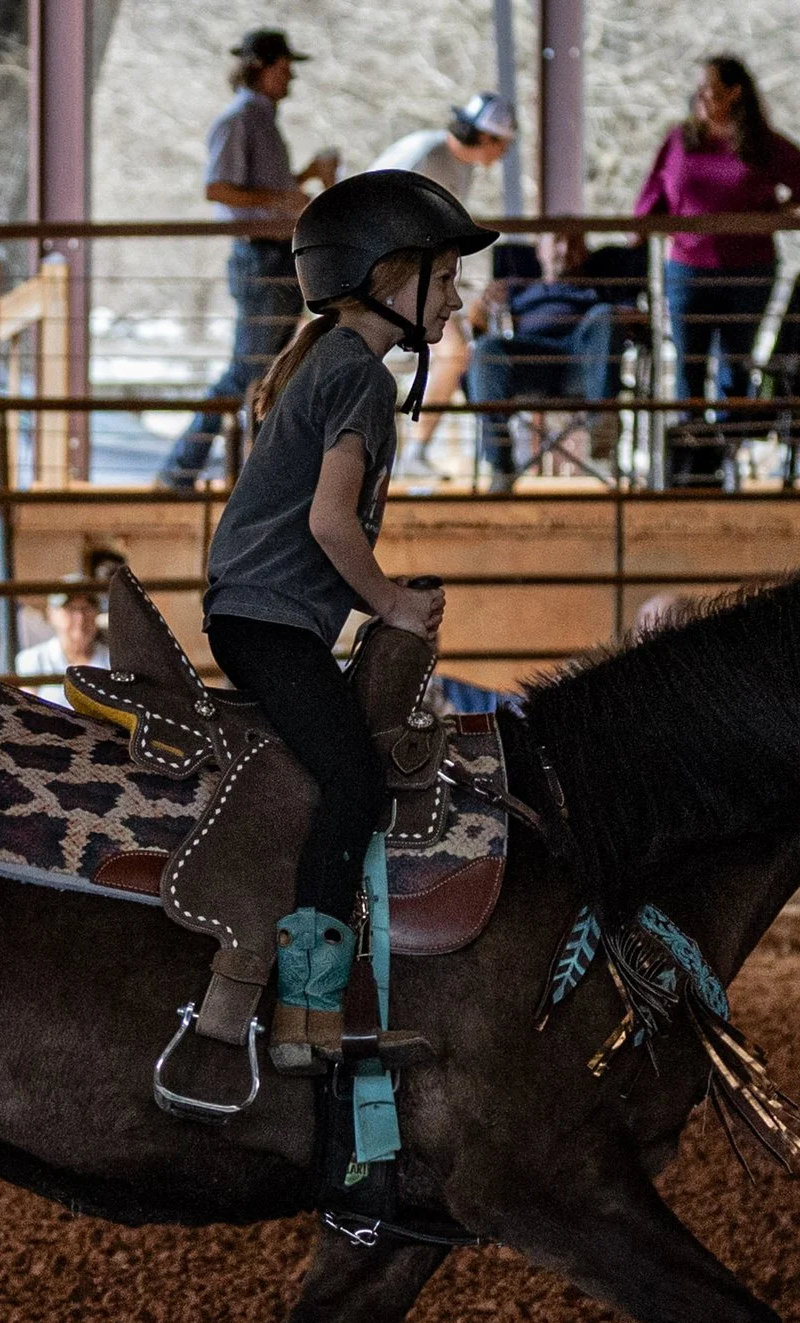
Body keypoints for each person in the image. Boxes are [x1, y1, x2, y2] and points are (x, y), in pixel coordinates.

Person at [202, 168, 491, 1066]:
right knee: (356, 785)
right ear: (385, 278)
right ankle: (305, 1012)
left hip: (258, 614)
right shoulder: (358, 376)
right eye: (441, 279)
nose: (454, 299)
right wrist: (397, 603)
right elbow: (329, 521)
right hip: (268, 619)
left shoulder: (332, 362)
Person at [157, 29, 340, 492]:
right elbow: (219, 189)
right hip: (261, 258)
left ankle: (242, 476)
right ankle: (181, 469)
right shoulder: (240, 119)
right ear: (261, 65)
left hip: (276, 257)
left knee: (266, 370)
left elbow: (258, 191)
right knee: (248, 369)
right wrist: (288, 194)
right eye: (284, 67)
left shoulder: (258, 120)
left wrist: (303, 179)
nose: (291, 77)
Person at [634, 57, 800, 485]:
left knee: (734, 366)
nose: (701, 97)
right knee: (689, 364)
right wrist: (645, 227)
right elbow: (654, 193)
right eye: (698, 90)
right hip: (687, 266)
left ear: (734, 93)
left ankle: (730, 459)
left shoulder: (761, 144)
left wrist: (777, 212)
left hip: (748, 269)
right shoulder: (681, 140)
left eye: (710, 89)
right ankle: (690, 468)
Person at [372, 92, 518, 480]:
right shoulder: (426, 152)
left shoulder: (461, 167)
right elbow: (373, 200)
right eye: (504, 143)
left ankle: (413, 452)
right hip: (386, 271)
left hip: (415, 273)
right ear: (487, 138)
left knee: (454, 354)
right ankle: (400, 453)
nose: (504, 153)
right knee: (447, 352)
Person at [465, 231, 624, 492]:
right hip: (533, 359)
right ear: (539, 250)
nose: (564, 249)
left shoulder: (597, 289)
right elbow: (478, 319)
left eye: (572, 243)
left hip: (583, 362)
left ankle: (601, 428)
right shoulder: (518, 289)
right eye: (557, 241)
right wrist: (485, 303)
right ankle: (500, 462)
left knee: (605, 315)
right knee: (486, 349)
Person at [13, 581, 108, 704]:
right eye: (71, 609)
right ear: (51, 614)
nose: (80, 618)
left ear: (97, 613)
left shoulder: (113, 661)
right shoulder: (33, 659)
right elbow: (28, 710)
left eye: (87, 608)